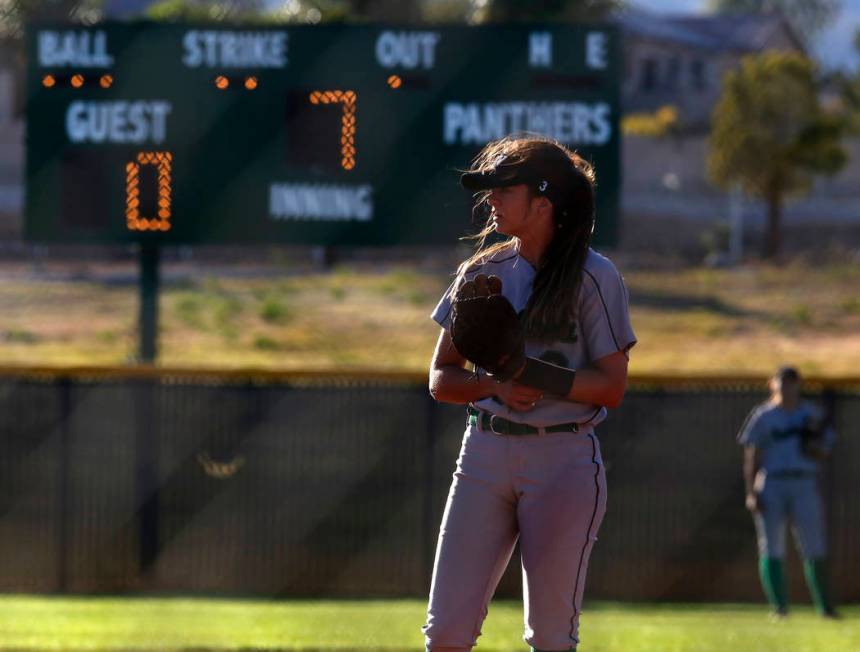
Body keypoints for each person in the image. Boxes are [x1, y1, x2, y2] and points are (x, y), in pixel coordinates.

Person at [423, 134, 636, 652]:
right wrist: (494, 384)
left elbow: (611, 387)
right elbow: (441, 379)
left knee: (550, 637)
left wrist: (528, 373)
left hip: (563, 456)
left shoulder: (594, 276)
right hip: (484, 453)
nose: (489, 200)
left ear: (543, 202)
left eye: (503, 189)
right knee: (446, 633)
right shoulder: (480, 273)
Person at [737, 365, 838, 619]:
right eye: (783, 383)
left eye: (792, 383)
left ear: (798, 385)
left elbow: (824, 451)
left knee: (813, 545)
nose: (787, 388)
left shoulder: (810, 414)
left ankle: (824, 607)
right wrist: (751, 492)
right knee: (771, 545)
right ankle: (779, 607)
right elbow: (752, 456)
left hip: (803, 481)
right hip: (772, 482)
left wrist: (812, 442)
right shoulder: (764, 416)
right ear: (773, 384)